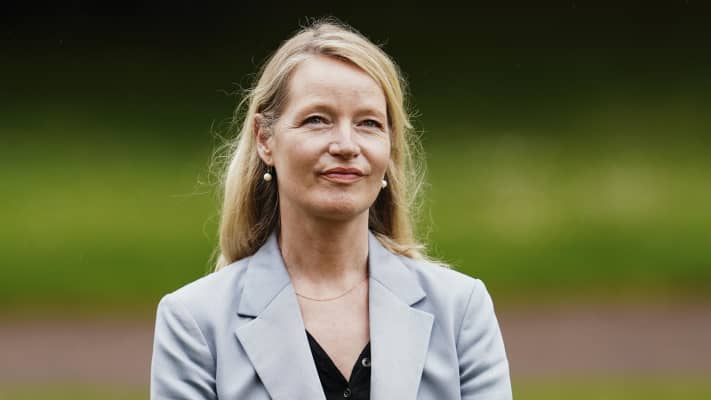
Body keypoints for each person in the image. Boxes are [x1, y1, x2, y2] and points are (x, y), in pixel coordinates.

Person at [150, 18, 512, 400]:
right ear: (264, 139)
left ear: (389, 145)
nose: (346, 145)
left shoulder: (460, 309)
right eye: (317, 120)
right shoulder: (195, 321)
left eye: (368, 123)